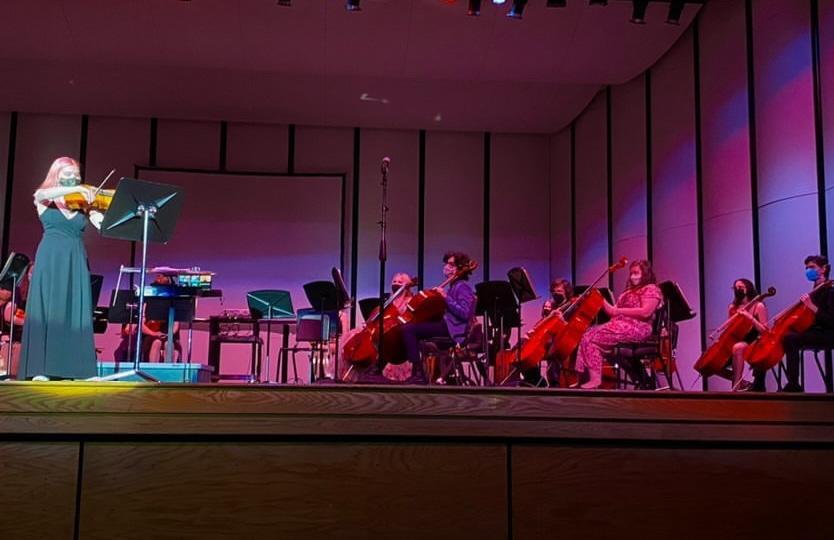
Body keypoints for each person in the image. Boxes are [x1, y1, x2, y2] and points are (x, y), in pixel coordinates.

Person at [18, 157, 103, 381]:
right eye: (67, 174)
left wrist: (101, 215)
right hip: (51, 256)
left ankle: (81, 370)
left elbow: (100, 223)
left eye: (76, 175)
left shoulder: (82, 203)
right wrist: (78, 189)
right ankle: (40, 369)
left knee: (77, 311)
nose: (73, 179)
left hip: (75, 257)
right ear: (56, 175)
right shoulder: (45, 198)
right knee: (47, 310)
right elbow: (41, 194)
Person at [574, 259, 662, 389]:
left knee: (593, 336)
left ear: (645, 274)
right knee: (588, 334)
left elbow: (646, 312)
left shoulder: (651, 289)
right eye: (631, 273)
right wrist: (599, 299)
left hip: (638, 327)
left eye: (636, 273)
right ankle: (584, 378)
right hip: (619, 325)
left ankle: (595, 380)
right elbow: (612, 312)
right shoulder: (626, 293)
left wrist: (616, 311)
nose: (632, 276)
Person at [401, 251, 476, 385]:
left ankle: (418, 374)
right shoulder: (453, 286)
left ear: (459, 268)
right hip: (446, 326)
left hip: (452, 330)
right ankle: (418, 373)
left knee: (409, 330)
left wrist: (445, 297)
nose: (447, 267)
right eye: (446, 264)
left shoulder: (462, 287)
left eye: (451, 265)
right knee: (412, 328)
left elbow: (465, 313)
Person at [779, 255, 834, 393]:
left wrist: (811, 307)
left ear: (823, 269)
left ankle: (793, 384)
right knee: (785, 335)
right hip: (815, 331)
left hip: (828, 333)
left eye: (812, 267)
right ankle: (761, 381)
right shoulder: (815, 292)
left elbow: (831, 320)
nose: (808, 271)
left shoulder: (830, 291)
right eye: (807, 268)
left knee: (791, 339)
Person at [719, 279, 768, 392]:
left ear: (748, 288)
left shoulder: (758, 306)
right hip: (736, 339)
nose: (738, 290)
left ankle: (736, 387)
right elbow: (730, 329)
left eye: (741, 287)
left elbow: (764, 331)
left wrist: (750, 318)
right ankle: (741, 382)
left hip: (754, 341)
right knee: (713, 364)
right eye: (736, 288)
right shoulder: (732, 307)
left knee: (738, 347)